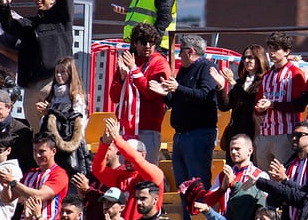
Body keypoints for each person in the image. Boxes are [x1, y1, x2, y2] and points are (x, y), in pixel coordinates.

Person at [0, 0, 74, 130]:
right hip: (32, 88)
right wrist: (3, 0)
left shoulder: (61, 18)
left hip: (54, 83)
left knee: (58, 130)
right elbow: (10, 25)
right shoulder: (30, 24)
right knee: (37, 134)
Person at [149, 34, 218, 191]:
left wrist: (178, 88)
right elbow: (175, 100)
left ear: (190, 51)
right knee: (183, 186)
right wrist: (165, 94)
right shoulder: (184, 71)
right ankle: (187, 215)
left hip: (198, 134)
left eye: (181, 51)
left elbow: (205, 96)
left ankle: (199, 215)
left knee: (197, 183)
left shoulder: (206, 68)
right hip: (181, 135)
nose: (179, 55)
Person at [110, 22, 171, 162]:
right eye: (144, 43)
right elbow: (114, 96)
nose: (148, 46)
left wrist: (134, 70)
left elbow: (150, 93)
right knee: (123, 171)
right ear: (135, 43)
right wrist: (122, 78)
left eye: (151, 42)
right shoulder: (127, 61)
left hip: (148, 128)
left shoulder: (159, 63)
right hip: (126, 127)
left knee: (146, 172)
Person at [92, 118, 165, 220]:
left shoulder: (154, 173)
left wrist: (117, 139)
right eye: (124, 156)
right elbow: (98, 170)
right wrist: (105, 144)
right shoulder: (121, 175)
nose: (126, 159)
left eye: (128, 154)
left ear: (143, 154)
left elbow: (136, 159)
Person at [253, 32, 308, 169]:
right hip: (265, 132)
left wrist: (272, 105)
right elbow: (258, 104)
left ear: (287, 51)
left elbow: (299, 106)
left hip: (286, 133)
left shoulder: (295, 73)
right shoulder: (266, 76)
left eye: (276, 49)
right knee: (263, 178)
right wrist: (259, 108)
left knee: (283, 176)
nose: (271, 53)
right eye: (270, 48)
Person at [210, 45, 268, 160]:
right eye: (244, 58)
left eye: (251, 57)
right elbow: (225, 106)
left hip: (253, 132)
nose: (246, 61)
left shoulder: (264, 81)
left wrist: (232, 82)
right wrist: (221, 87)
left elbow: (251, 101)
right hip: (235, 131)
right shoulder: (241, 81)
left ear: (260, 59)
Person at [36, 56, 90, 176]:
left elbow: (75, 120)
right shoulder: (53, 95)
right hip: (52, 142)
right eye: (56, 72)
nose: (59, 75)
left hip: (70, 145)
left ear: (71, 73)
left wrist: (50, 111)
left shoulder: (76, 96)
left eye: (63, 72)